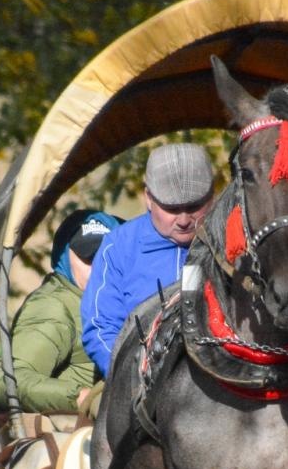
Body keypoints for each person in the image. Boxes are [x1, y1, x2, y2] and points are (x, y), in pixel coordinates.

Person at [80, 143, 214, 374]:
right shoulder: (119, 246)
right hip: (139, 376)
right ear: (148, 198)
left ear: (212, 197)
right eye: (172, 209)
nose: (184, 220)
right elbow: (101, 327)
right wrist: (132, 374)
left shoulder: (235, 240)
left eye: (193, 207)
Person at [12, 210, 119, 414]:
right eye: (88, 258)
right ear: (64, 256)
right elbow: (10, 380)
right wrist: (82, 397)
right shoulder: (53, 307)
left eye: (106, 257)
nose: (97, 268)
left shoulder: (124, 299)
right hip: (77, 425)